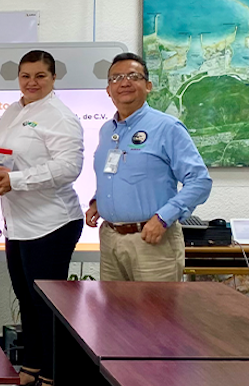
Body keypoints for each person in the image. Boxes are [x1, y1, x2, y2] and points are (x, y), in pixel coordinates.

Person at [0, 50, 85, 386]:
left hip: (52, 223)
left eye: (40, 76)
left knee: (48, 307)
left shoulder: (60, 116)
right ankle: (30, 365)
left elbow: (68, 168)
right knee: (26, 301)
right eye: (25, 75)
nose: (32, 82)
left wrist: (17, 179)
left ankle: (54, 377)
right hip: (18, 223)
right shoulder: (15, 110)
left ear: (53, 78)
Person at [85, 52, 212, 282]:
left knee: (155, 316)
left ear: (148, 85)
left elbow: (200, 181)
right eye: (116, 78)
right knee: (114, 315)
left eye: (133, 76)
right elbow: (117, 173)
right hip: (111, 239)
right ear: (108, 90)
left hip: (152, 239)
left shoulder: (167, 127)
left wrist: (164, 218)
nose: (124, 82)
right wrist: (98, 200)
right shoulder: (107, 130)